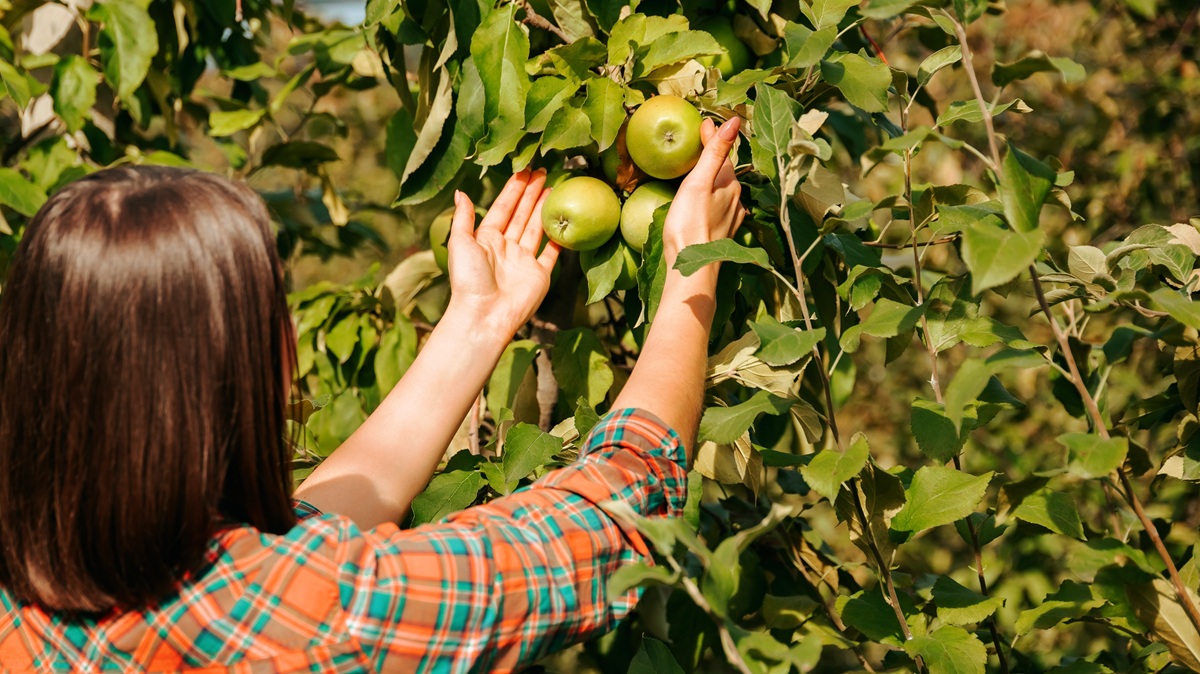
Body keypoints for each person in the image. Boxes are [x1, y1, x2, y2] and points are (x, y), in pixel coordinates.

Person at [0, 116, 743, 673]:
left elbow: (294, 548)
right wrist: (690, 269)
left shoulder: (35, 591)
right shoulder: (325, 617)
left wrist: (477, 323)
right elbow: (622, 501)